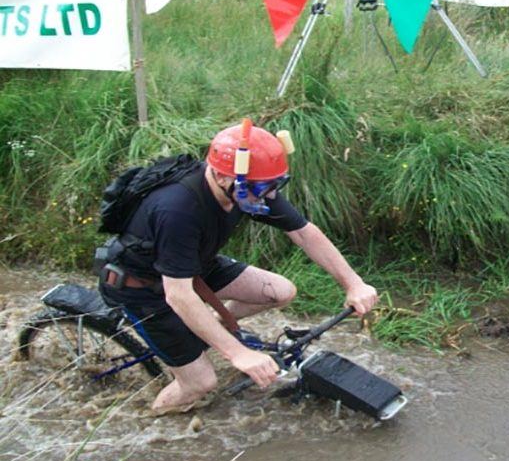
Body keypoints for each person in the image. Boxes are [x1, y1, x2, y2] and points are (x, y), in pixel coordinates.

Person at [98, 120, 379, 414]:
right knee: (201, 384)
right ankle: (150, 420)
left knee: (280, 291)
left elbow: (303, 232)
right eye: (261, 187)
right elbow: (178, 295)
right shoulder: (178, 210)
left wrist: (353, 284)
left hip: (194, 266)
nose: (268, 196)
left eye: (275, 185)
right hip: (142, 288)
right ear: (221, 176)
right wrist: (239, 354)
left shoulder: (249, 185)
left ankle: (205, 334)